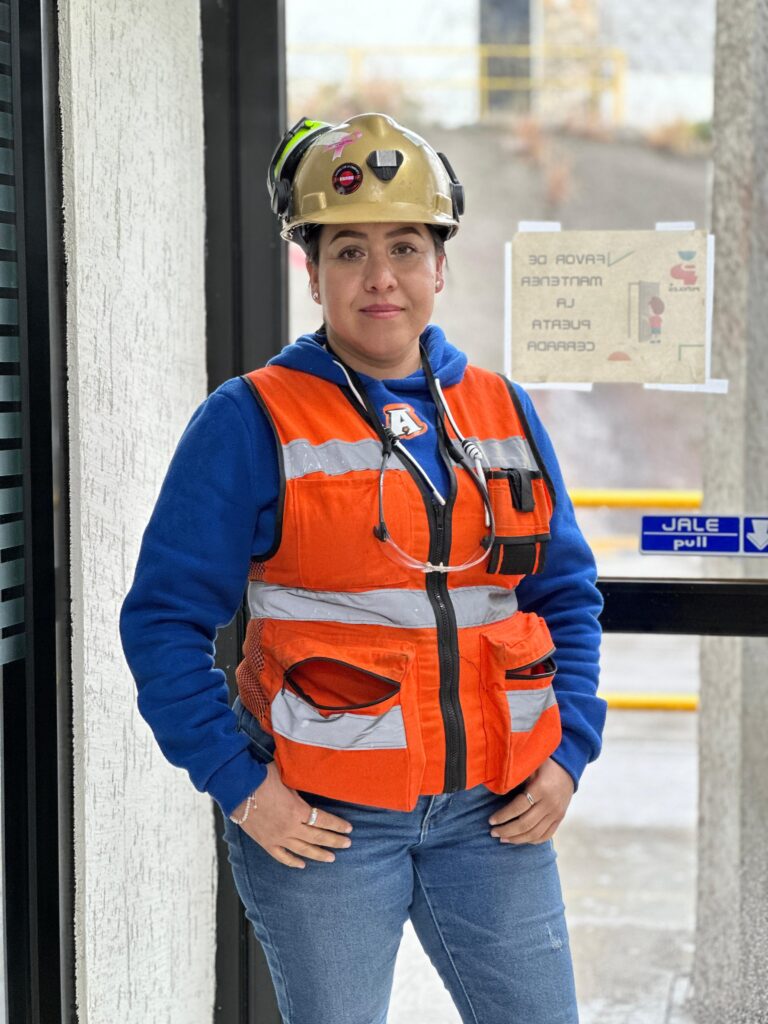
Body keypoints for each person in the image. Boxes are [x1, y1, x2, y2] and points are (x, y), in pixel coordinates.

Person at [120, 111, 606, 1024]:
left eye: (405, 246)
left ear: (440, 263)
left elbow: (565, 594)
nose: (381, 277)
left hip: (494, 813)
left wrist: (570, 750)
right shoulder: (249, 418)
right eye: (348, 250)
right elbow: (162, 622)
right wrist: (241, 786)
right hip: (325, 825)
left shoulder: (501, 407)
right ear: (311, 271)